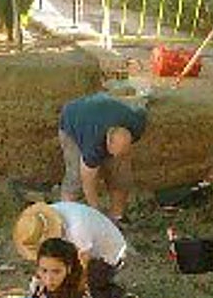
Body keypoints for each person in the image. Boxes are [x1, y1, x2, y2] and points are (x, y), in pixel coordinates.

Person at [14, 201, 130, 298]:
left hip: (105, 257)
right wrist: (39, 280)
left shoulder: (78, 229)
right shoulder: (41, 219)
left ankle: (114, 296)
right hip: (74, 254)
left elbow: (82, 267)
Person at [58, 92, 148, 222]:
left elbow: (141, 107)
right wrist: (96, 212)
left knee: (121, 173)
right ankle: (65, 217)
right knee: (75, 176)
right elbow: (87, 180)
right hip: (72, 119)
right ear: (107, 141)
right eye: (112, 154)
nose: (113, 158)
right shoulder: (93, 142)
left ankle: (117, 217)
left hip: (102, 108)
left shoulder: (136, 124)